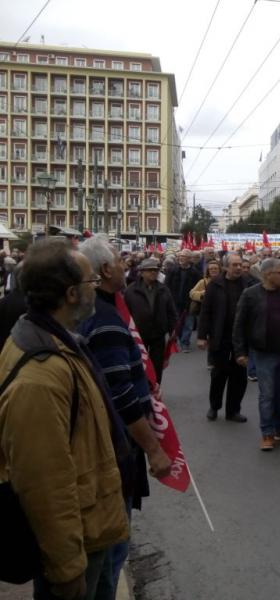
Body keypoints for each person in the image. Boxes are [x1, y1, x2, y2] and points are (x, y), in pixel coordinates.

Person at [0, 238, 128, 600]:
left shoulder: (59, 342)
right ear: (72, 293)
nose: (95, 289)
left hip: (93, 526)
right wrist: (67, 565)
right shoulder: (40, 375)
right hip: (78, 543)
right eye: (90, 283)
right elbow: (44, 484)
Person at [78, 235, 172, 593]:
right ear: (104, 270)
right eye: (119, 261)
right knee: (110, 554)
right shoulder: (104, 321)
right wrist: (154, 449)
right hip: (114, 452)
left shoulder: (95, 313)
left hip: (103, 448)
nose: (124, 266)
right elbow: (121, 397)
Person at [233, 258, 280, 451]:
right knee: (268, 394)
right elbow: (239, 325)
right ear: (268, 274)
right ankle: (267, 432)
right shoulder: (250, 294)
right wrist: (240, 352)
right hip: (263, 353)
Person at [197, 253, 249, 422]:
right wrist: (202, 336)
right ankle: (214, 406)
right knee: (219, 375)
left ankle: (233, 411)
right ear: (226, 267)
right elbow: (205, 311)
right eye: (235, 265)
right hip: (220, 337)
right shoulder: (215, 285)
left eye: (240, 265)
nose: (239, 268)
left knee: (239, 377)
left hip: (241, 339)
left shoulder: (247, 284)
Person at [124, 258, 177, 384]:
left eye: (155, 270)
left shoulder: (164, 289)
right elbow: (125, 314)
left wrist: (173, 330)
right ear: (141, 272)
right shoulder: (131, 290)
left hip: (158, 333)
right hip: (138, 334)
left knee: (156, 365)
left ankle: (155, 388)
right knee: (138, 364)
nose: (153, 272)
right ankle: (141, 389)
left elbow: (171, 311)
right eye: (149, 270)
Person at [165, 250, 201, 352]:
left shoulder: (195, 273)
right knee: (176, 322)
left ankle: (185, 342)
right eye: (180, 256)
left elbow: (198, 287)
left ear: (189, 259)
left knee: (188, 324)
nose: (181, 258)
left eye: (184, 256)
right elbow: (167, 285)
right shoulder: (173, 270)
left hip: (189, 302)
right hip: (174, 302)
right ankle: (177, 340)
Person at [189, 260, 220, 371]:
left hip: (220, 313)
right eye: (211, 269)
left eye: (216, 268)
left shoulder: (223, 281)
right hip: (206, 313)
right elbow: (192, 293)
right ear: (208, 270)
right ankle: (211, 361)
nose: (213, 270)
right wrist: (202, 294)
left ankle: (219, 360)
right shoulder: (204, 282)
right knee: (211, 338)